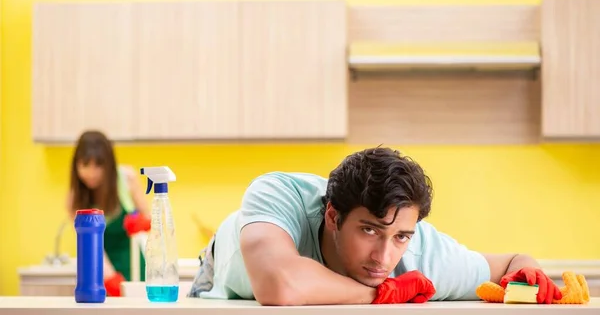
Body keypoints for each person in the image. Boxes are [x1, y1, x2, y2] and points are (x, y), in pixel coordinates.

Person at [187, 146, 562, 305]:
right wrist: (384, 294)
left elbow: (511, 261)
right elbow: (280, 286)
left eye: (400, 236)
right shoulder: (278, 194)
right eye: (369, 230)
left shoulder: (422, 257)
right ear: (333, 216)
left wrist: (527, 271)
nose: (385, 257)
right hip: (223, 274)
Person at [66, 130, 152, 297]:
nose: (91, 173)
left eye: (98, 165)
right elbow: (89, 246)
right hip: (98, 269)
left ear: (109, 164)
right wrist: (110, 277)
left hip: (133, 265)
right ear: (76, 165)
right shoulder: (73, 200)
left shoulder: (127, 178)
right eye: (85, 165)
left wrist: (141, 221)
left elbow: (148, 217)